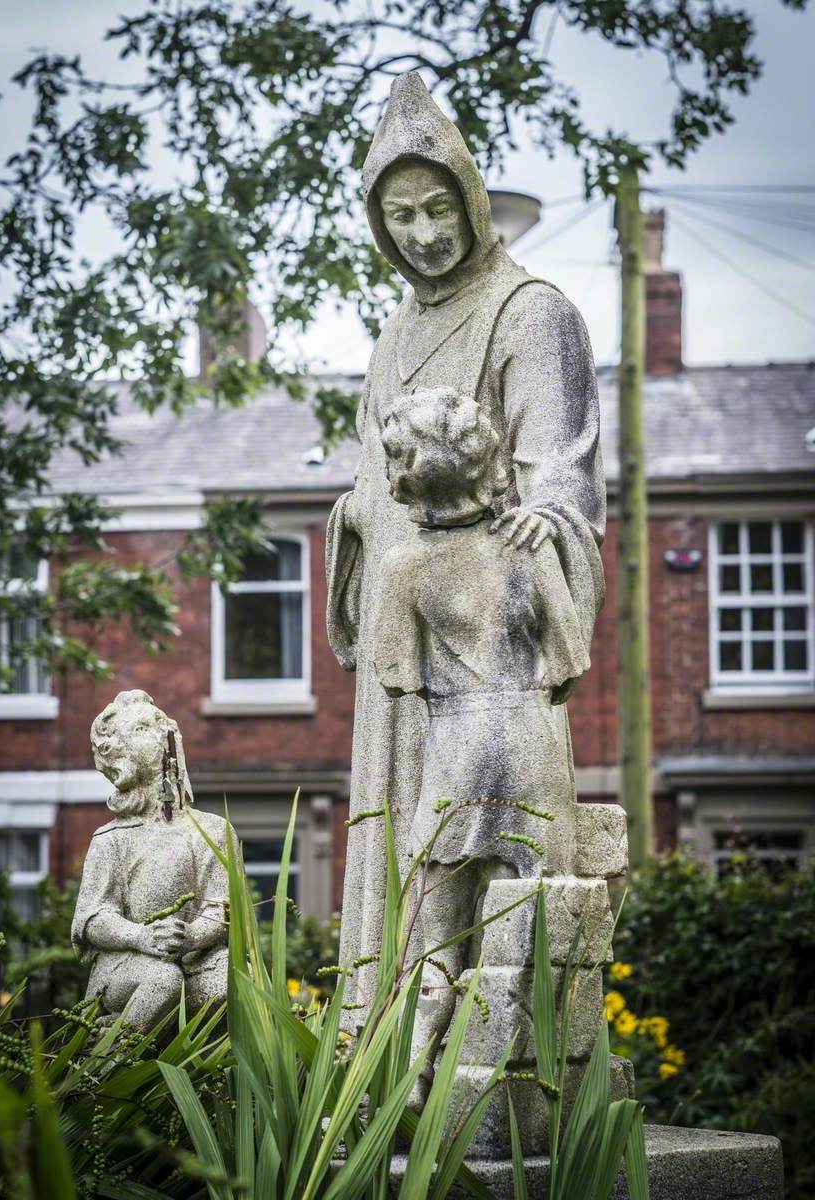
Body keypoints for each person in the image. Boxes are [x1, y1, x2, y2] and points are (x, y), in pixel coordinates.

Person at [326, 72, 605, 1009]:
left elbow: (558, 479)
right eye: (397, 215)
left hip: (481, 653)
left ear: (472, 197)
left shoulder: (532, 313)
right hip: (403, 632)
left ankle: (485, 1052)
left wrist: (539, 537)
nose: (421, 232)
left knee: (483, 870)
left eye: (437, 205)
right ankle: (391, 1044)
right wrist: (364, 517)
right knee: (405, 856)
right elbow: (371, 473)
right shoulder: (393, 331)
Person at [370, 387, 590, 1094]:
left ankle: (411, 1082)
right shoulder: (529, 544)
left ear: (404, 475)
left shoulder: (404, 567)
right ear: (485, 460)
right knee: (527, 934)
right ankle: (527, 1086)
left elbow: (395, 672)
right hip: (530, 748)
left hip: (457, 751)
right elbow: (570, 659)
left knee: (435, 942)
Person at [72, 690, 233, 1029]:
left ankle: (210, 1078)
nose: (155, 736)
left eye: (148, 729)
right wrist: (140, 937)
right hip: (127, 963)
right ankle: (108, 1063)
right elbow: (91, 917)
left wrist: (191, 936)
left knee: (226, 986)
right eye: (140, 731)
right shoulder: (110, 839)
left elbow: (224, 908)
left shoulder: (212, 831)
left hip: (194, 956)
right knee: (163, 981)